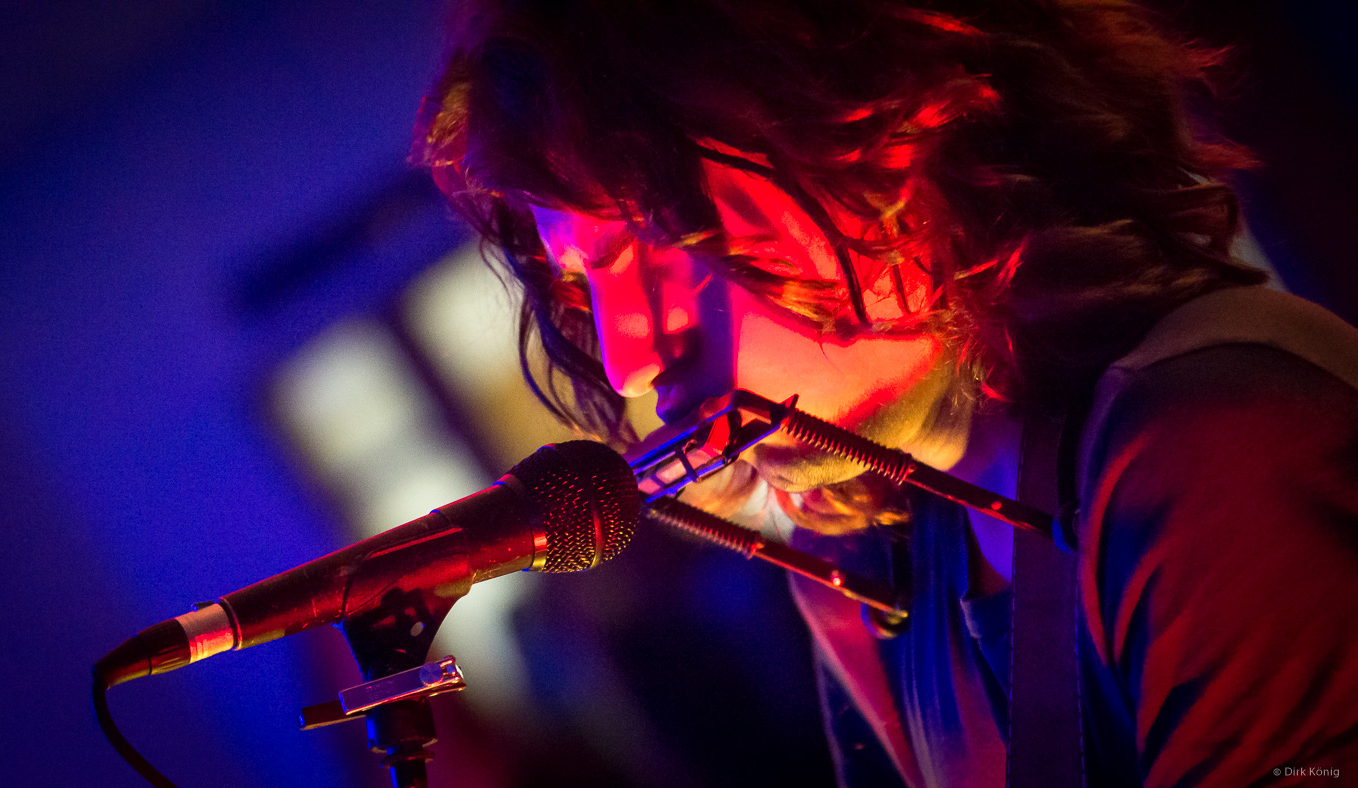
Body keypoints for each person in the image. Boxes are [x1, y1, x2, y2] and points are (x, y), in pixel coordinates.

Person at [413, 1, 1358, 785]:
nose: (629, 362)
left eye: (649, 238)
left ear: (880, 125)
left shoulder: (1213, 449)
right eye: (588, 283)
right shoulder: (876, 564)